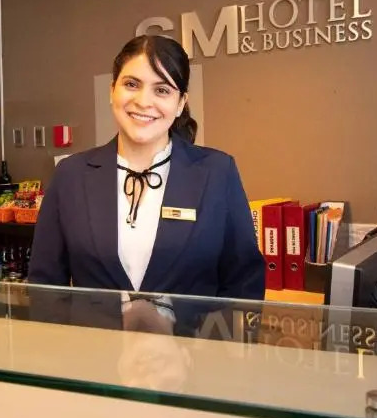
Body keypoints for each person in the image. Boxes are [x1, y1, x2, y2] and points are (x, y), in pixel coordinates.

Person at [27, 35, 265, 333]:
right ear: (112, 91)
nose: (143, 101)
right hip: (94, 355)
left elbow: (244, 283)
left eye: (162, 90)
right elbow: (46, 288)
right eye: (131, 84)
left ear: (180, 103)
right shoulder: (71, 175)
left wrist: (214, 354)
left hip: (190, 355)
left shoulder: (217, 172)